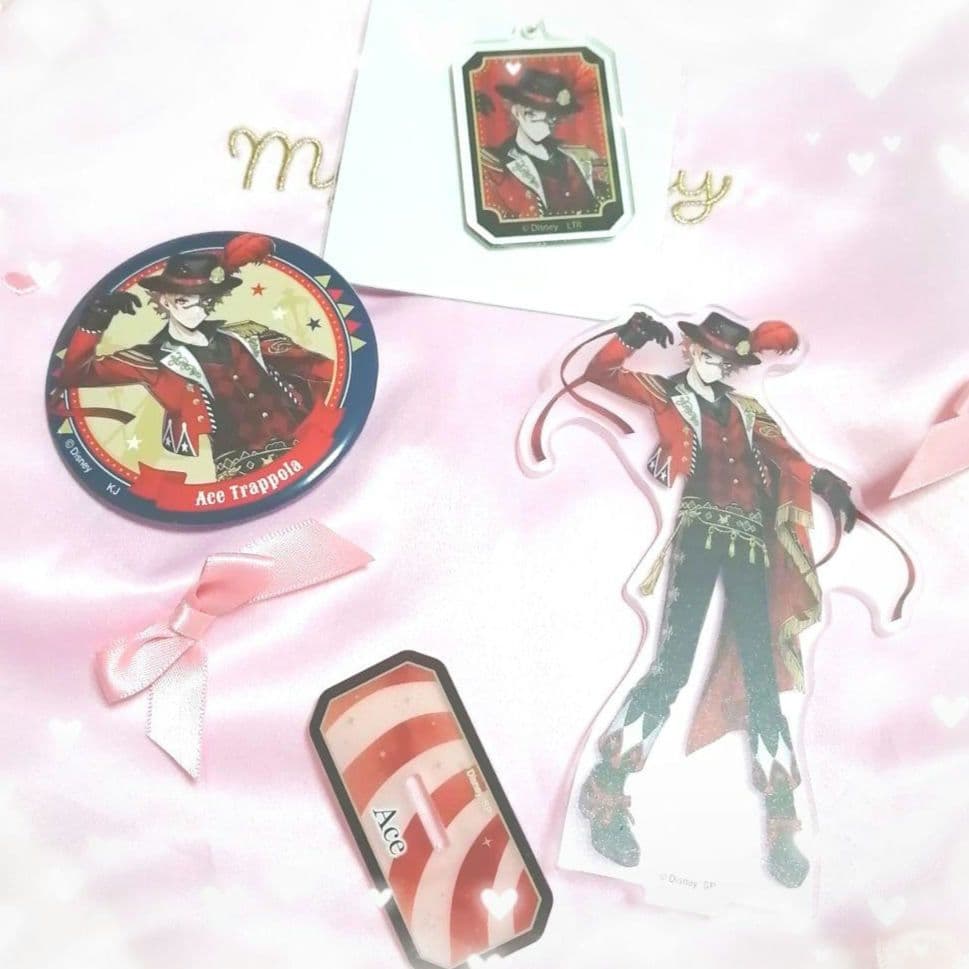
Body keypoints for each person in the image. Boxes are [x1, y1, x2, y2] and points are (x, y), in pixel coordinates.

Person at [576, 310, 857, 889]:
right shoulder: (669, 395)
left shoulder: (748, 411)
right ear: (689, 349)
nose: (716, 366)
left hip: (750, 546)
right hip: (700, 538)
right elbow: (599, 373)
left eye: (726, 361)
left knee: (762, 675)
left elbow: (788, 458)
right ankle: (606, 786)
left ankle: (781, 819)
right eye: (709, 355)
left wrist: (825, 483)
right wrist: (630, 337)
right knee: (672, 666)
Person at [53, 234, 335, 480]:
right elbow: (73, 377)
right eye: (183, 301)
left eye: (204, 301)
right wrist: (93, 323)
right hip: (237, 470)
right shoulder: (150, 359)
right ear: (164, 300)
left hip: (305, 442)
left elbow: (319, 366)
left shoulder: (248, 334)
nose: (196, 311)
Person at [480, 68, 609, 220]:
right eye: (533, 114)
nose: (546, 125)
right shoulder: (496, 168)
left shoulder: (581, 158)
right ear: (516, 112)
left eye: (552, 116)